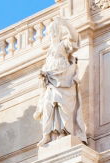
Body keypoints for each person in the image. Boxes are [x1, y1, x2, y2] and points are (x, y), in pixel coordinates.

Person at [34, 18, 87, 147]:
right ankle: (48, 135)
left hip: (64, 80)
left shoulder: (63, 45)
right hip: (51, 82)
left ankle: (65, 132)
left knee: (63, 107)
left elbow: (74, 39)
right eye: (51, 32)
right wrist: (43, 74)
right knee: (48, 107)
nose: (52, 34)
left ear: (58, 32)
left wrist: (66, 24)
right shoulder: (49, 50)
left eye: (54, 31)